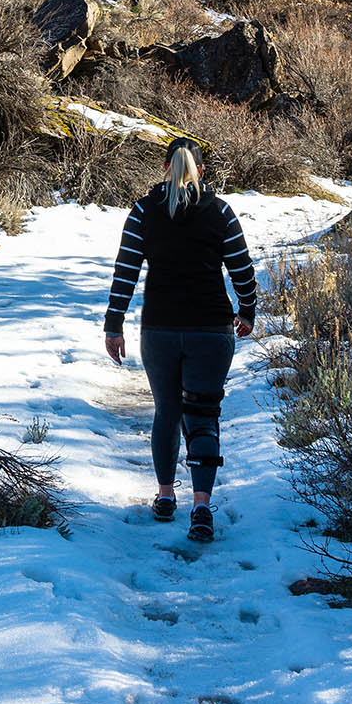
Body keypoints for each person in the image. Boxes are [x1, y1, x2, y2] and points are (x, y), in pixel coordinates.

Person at [103, 137, 256, 543]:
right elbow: (243, 269)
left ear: (166, 170)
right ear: (201, 171)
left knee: (167, 412)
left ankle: (166, 495)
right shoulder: (220, 212)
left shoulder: (143, 211)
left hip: (160, 329)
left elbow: (126, 271)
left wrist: (113, 324)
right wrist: (248, 311)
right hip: (211, 330)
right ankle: (201, 505)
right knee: (203, 414)